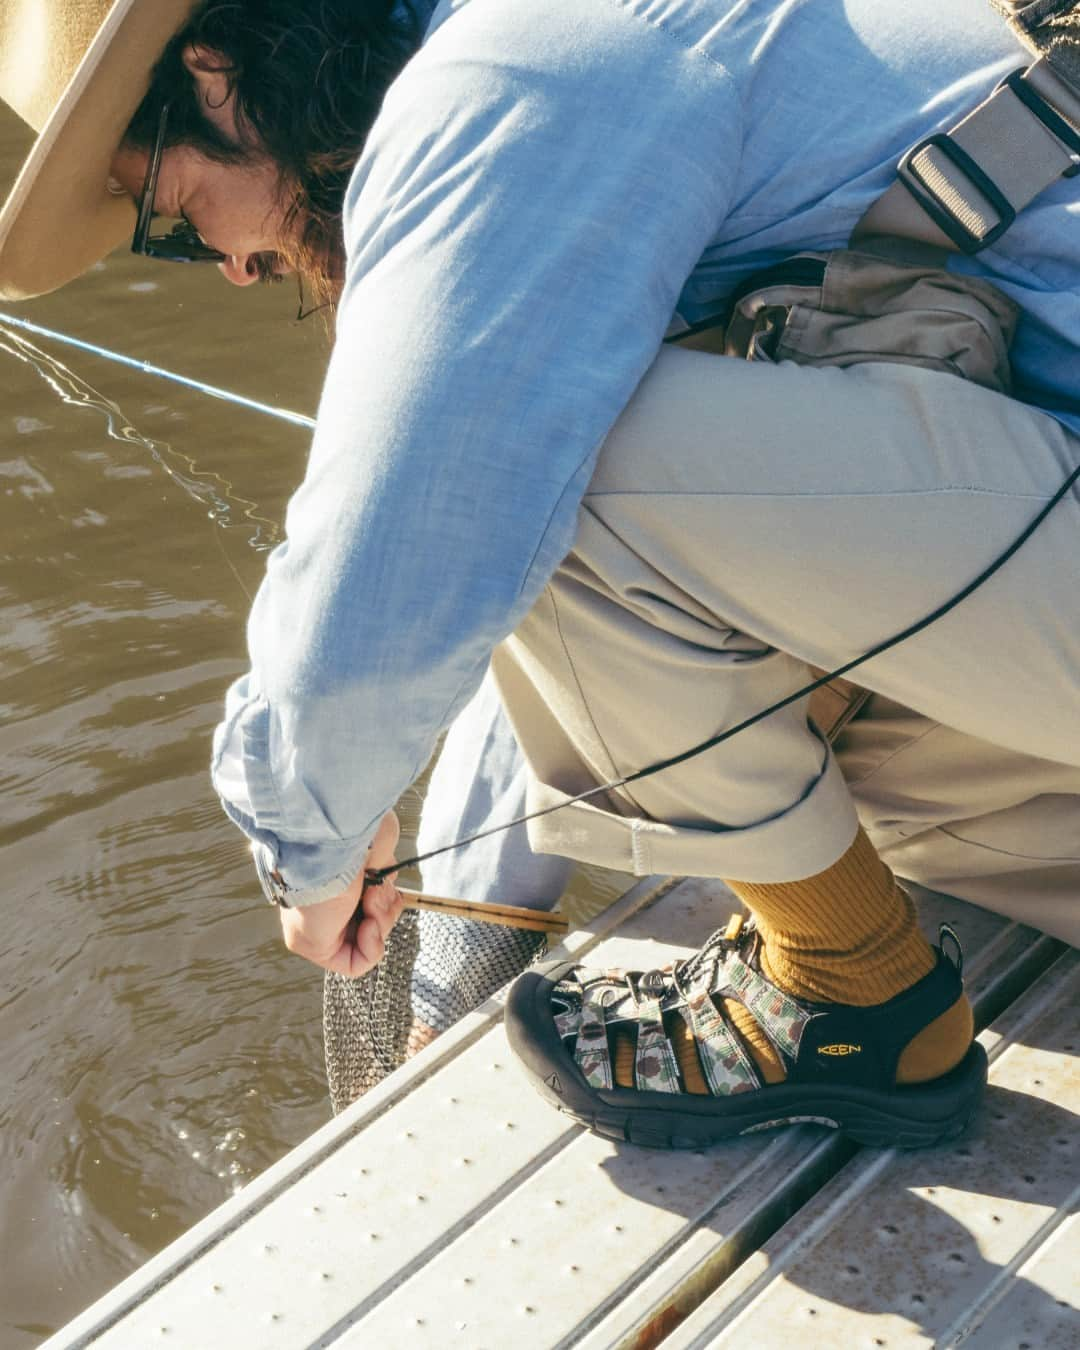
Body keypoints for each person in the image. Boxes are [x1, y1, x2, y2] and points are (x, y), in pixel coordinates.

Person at [1, 0, 1077, 1149]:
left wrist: (304, 833)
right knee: (566, 470)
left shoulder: (514, 73)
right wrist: (453, 950)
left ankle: (847, 988)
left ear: (214, 78)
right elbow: (527, 581)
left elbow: (439, 534)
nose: (224, 266)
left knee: (563, 453)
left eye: (171, 216)